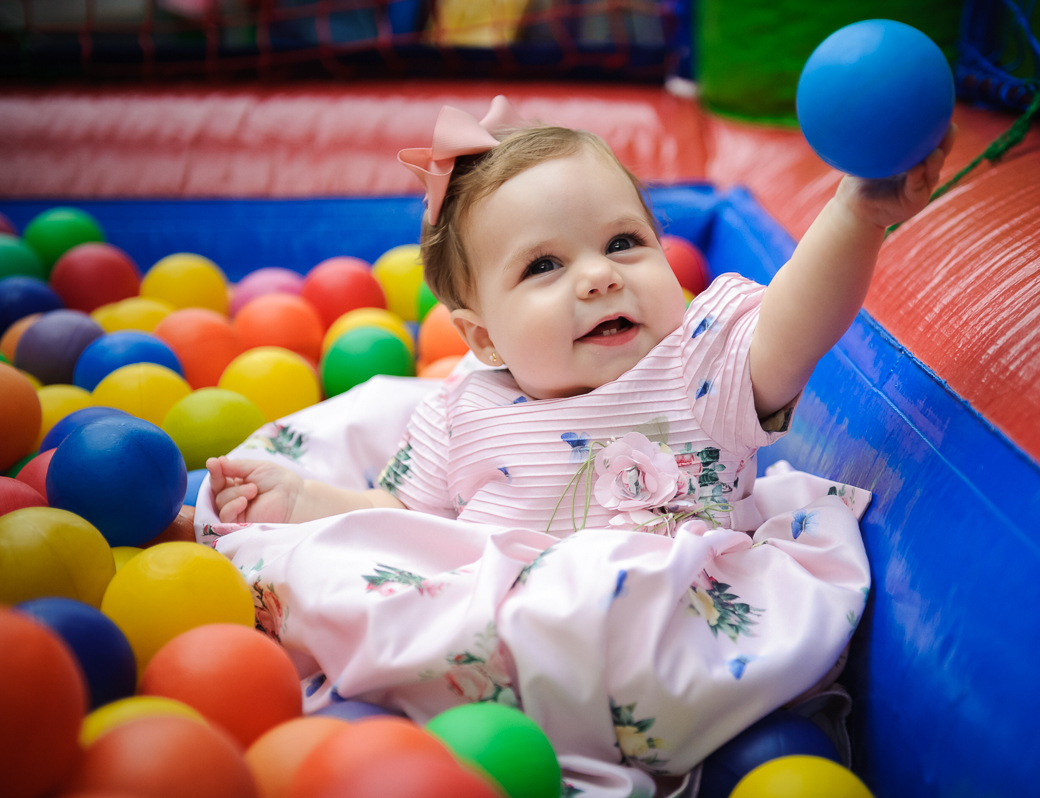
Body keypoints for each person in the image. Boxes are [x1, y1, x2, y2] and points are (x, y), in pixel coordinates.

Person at [199, 96, 955, 797]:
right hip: (505, 659)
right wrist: (307, 503)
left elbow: (797, 321)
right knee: (344, 582)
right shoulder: (463, 407)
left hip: (656, 638)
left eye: (623, 243)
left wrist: (857, 214)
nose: (597, 277)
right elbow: (398, 516)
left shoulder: (696, 366)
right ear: (483, 336)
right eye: (544, 266)